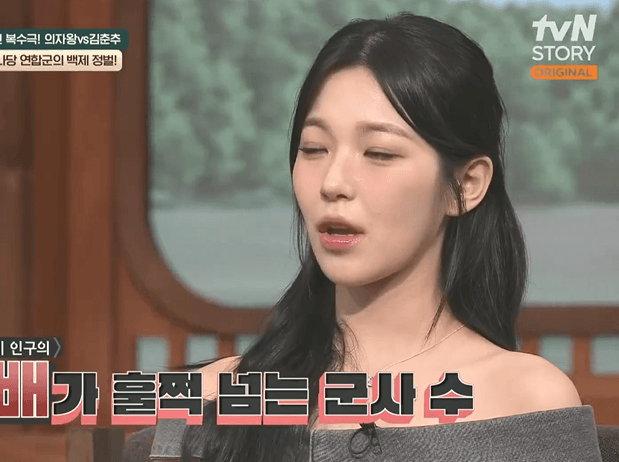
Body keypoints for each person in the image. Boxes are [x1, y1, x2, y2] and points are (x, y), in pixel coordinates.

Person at [133, 11, 603, 462]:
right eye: (314, 148)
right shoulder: (214, 396)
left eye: (378, 153)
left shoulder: (526, 398)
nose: (332, 182)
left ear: (466, 185)